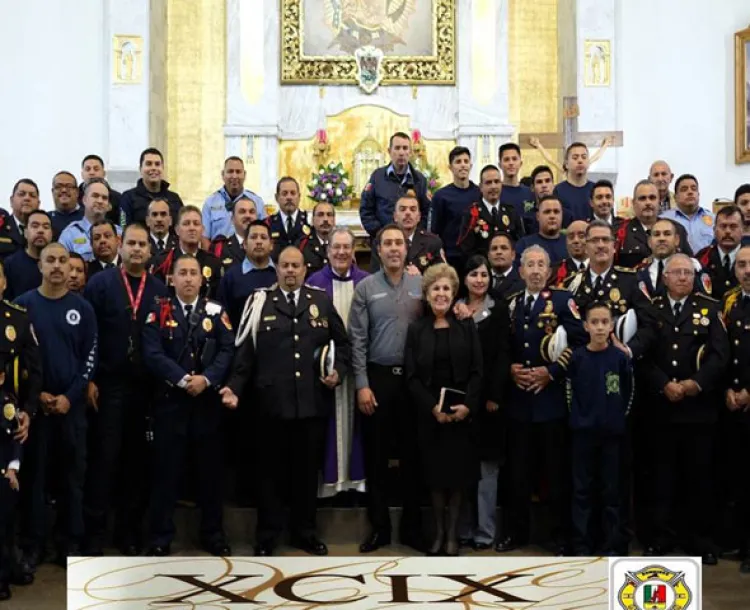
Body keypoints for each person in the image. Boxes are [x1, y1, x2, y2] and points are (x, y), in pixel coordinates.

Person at [220, 247, 350, 557]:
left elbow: (343, 345)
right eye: (285, 266)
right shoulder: (260, 301)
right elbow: (246, 354)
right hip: (270, 408)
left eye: (295, 266)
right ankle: (267, 536)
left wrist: (339, 372)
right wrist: (234, 388)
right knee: (270, 476)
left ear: (305, 269)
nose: (290, 271)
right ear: (276, 269)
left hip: (310, 406)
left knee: (306, 475)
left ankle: (305, 532)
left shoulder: (319, 300)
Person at [631, 254, 727, 565]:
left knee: (698, 476)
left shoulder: (710, 309)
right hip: (660, 409)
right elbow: (643, 357)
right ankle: (660, 537)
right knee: (660, 475)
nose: (683, 277)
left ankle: (699, 538)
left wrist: (693, 384)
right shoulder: (652, 309)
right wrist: (664, 384)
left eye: (688, 272)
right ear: (664, 278)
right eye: (676, 272)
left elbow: (719, 356)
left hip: (698, 409)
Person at [83, 223, 168, 556]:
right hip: (108, 386)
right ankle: (94, 536)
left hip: (145, 388)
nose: (136, 249)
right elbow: (88, 336)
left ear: (149, 251)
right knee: (104, 461)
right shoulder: (100, 284)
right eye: (130, 242)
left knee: (137, 463)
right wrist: (89, 378)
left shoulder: (159, 289)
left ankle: (129, 533)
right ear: (120, 245)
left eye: (142, 244)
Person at [142, 255, 235, 556]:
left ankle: (213, 534)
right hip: (171, 404)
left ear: (201, 278)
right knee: (165, 473)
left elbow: (227, 349)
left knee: (210, 474)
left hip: (206, 405)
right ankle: (160, 537)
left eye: (193, 273)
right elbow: (153, 354)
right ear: (172, 279)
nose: (188, 278)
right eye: (182, 273)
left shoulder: (216, 311)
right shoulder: (158, 310)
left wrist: (206, 380)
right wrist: (183, 379)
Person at [498, 245, 586, 555]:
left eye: (540, 265)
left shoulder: (562, 300)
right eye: (529, 265)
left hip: (550, 402)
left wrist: (551, 372)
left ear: (548, 273)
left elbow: (580, 342)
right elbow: (504, 344)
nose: (535, 270)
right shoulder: (511, 303)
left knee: (555, 474)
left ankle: (559, 535)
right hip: (519, 403)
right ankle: (516, 533)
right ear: (520, 271)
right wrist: (509, 369)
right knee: (518, 474)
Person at [15, 243, 97, 564]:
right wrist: (37, 398)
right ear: (40, 266)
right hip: (35, 411)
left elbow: (90, 358)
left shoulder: (83, 309)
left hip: (71, 408)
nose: (58, 266)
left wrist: (69, 397)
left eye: (63, 260)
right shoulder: (23, 306)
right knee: (35, 478)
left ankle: (70, 543)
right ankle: (33, 544)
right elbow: (17, 361)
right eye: (51, 260)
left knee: (72, 478)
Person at [349, 224, 425, 553]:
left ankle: (412, 529)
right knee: (377, 458)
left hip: (413, 382)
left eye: (399, 243)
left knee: (414, 457)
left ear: (406, 248)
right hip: (378, 381)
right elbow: (357, 341)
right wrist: (363, 385)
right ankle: (379, 528)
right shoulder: (366, 288)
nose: (394, 248)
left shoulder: (422, 285)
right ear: (378, 250)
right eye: (387, 244)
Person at [404, 264, 482, 556]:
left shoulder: (466, 325)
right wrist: (431, 408)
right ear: (426, 294)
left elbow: (477, 370)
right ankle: (437, 533)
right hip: (430, 416)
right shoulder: (417, 329)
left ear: (453, 294)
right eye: (435, 288)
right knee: (435, 479)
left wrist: (468, 406)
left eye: (446, 288)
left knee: (458, 479)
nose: (441, 293)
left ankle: (452, 535)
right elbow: (411, 376)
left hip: (462, 415)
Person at [559, 302, 633, 556]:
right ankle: (581, 545)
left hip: (612, 435)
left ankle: (612, 544)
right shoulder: (577, 358)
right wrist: (579, 420)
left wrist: (617, 420)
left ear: (612, 326)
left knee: (612, 491)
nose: (600, 327)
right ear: (586, 326)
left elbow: (628, 393)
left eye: (605, 322)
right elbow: (569, 395)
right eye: (595, 322)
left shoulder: (620, 359)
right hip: (582, 434)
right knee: (582, 491)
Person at [307, 228, 369, 497]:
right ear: (328, 250)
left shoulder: (366, 282)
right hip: (326, 372)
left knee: (357, 427)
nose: (342, 252)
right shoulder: (314, 283)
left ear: (353, 250)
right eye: (337, 247)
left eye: (347, 247)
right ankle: (330, 487)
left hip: (358, 369)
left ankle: (356, 485)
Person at [453, 255, 509, 551]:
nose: (479, 280)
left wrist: (494, 396)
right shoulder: (454, 307)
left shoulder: (498, 309)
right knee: (462, 469)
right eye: (473, 274)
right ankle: (462, 529)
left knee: (487, 473)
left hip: (488, 403)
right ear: (464, 278)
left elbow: (502, 356)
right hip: (461, 401)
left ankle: (485, 533)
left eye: (484, 275)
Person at [722, 247, 750, 573]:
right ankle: (740, 542)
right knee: (737, 476)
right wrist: (728, 389)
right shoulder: (730, 302)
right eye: (741, 264)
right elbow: (724, 350)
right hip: (732, 402)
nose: (746, 270)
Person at [564, 220, 648, 316]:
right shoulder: (572, 284)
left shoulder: (631, 281)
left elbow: (647, 323)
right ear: (586, 247)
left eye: (605, 240)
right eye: (594, 240)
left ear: (614, 246)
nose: (600, 245)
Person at [360, 132, 430, 242]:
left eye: (405, 148)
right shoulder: (377, 177)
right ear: (389, 151)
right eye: (397, 148)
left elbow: (426, 212)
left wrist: (415, 236)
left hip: (412, 244)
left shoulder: (420, 180)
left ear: (410, 152)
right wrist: (381, 233)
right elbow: (366, 209)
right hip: (383, 242)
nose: (401, 153)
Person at [616, 180, 693, 268]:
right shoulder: (620, 232)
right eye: (642, 198)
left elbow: (690, 263)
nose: (648, 203)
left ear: (659, 202)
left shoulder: (677, 229)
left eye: (652, 198)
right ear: (633, 203)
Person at [151, 206, 222, 299]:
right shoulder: (163, 261)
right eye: (186, 224)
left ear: (202, 230)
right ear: (177, 230)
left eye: (196, 224)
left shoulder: (213, 262)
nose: (192, 228)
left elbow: (217, 298)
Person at [217, 220, 276, 330]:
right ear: (244, 244)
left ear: (271, 245)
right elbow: (222, 319)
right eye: (253, 237)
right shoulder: (231, 277)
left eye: (263, 237)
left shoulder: (280, 275)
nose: (258, 241)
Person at [457, 165, 524, 262]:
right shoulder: (471, 214)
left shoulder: (511, 212)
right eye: (488, 183)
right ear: (481, 187)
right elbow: (466, 249)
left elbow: (520, 243)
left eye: (496, 182)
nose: (493, 186)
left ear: (501, 184)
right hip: (483, 271)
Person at [430, 146, 481, 270]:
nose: (463, 165)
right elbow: (435, 231)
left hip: (476, 257)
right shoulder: (441, 196)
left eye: (466, 161)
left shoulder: (479, 193)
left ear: (471, 165)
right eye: (458, 162)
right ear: (450, 167)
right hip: (450, 257)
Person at [636, 218, 706, 299]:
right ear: (649, 242)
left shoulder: (693, 268)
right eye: (656, 234)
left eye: (667, 234)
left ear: (677, 240)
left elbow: (703, 302)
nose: (661, 238)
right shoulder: (640, 272)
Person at [202, 156, 266, 240]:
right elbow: (204, 238)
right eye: (230, 171)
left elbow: (264, 234)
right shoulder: (210, 203)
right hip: (218, 252)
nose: (234, 176)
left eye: (238, 172)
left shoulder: (257, 202)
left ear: (244, 175)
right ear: (223, 174)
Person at [59, 178, 122, 262]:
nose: (100, 201)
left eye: (104, 198)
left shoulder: (119, 233)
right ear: (84, 200)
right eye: (95, 196)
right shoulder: (70, 234)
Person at [120, 148, 184, 225]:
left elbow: (182, 226)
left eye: (157, 164)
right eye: (149, 164)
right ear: (140, 169)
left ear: (162, 168)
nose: (153, 168)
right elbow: (123, 226)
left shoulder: (175, 199)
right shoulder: (128, 198)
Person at [0, 390, 21, 601]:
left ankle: (2, 579)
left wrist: (12, 469)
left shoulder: (6, 405)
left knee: (4, 531)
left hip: (2, 475)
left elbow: (13, 437)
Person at [696, 205, 742, 300]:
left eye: (733, 226)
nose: (728, 231)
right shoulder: (702, 257)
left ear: (742, 230)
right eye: (723, 226)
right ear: (714, 230)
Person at [660, 174, 715, 253]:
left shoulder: (713, 219)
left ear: (698, 194)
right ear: (675, 197)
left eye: (694, 189)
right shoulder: (664, 220)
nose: (690, 192)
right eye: (684, 189)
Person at [4, 210, 52, 300]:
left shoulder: (59, 264)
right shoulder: (10, 264)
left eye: (46, 227)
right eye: (35, 226)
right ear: (25, 232)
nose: (41, 231)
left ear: (51, 233)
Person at [394, 191, 444, 275]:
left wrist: (420, 278)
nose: (408, 213)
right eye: (402, 209)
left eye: (413, 209)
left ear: (419, 217)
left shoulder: (433, 242)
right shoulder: (384, 241)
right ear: (395, 216)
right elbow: (377, 279)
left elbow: (440, 278)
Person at [265, 177, 311, 260]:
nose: (289, 197)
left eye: (293, 193)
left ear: (299, 196)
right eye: (284, 193)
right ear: (276, 197)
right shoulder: (268, 224)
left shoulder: (309, 222)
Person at [210, 195, 258, 274]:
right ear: (232, 219)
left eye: (252, 212)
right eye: (242, 212)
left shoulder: (266, 245)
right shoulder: (219, 248)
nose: (248, 215)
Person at [514, 196, 567, 265]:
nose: (552, 216)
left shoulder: (570, 244)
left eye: (556, 212)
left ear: (562, 215)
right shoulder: (524, 244)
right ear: (538, 216)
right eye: (547, 212)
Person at [553, 142, 595, 221]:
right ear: (566, 164)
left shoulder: (596, 189)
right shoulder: (558, 191)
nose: (580, 161)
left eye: (584, 157)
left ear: (588, 162)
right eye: (575, 158)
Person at [0, 179, 40, 260]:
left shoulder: (45, 231)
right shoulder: (2, 227)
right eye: (21, 194)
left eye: (32, 195)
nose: (27, 198)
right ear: (11, 201)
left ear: (38, 204)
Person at [79, 155, 123, 227]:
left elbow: (123, 221)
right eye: (88, 169)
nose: (92, 172)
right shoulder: (76, 196)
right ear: (82, 174)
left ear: (104, 173)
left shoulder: (117, 197)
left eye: (96, 169)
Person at [498, 143, 534, 217]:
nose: (511, 163)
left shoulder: (530, 193)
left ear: (520, 163)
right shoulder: (495, 193)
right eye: (506, 159)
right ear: (500, 165)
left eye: (514, 159)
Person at [301, 202, 335, 277]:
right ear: (312, 220)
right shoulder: (302, 245)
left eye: (329, 215)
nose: (325, 219)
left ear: (334, 220)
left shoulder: (341, 245)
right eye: (320, 215)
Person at [551, 220, 588, 286]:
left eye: (581, 236)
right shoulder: (554, 272)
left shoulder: (602, 268)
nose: (576, 240)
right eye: (571, 237)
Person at [50, 171, 84, 238]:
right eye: (58, 186)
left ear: (77, 192)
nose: (64, 190)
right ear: (53, 192)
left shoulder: (87, 218)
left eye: (69, 186)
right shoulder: (45, 220)